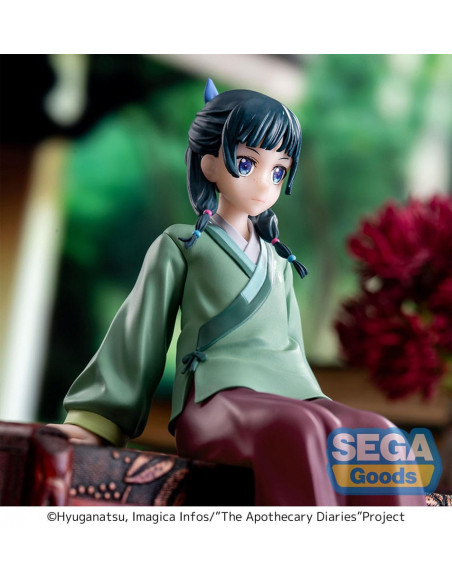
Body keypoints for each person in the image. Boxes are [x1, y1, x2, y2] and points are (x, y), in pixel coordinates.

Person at [50, 80, 425, 505]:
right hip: (215, 402)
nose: (265, 184)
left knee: (381, 436)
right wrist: (97, 422)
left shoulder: (279, 261)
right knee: (299, 431)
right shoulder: (182, 245)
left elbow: (291, 351)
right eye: (247, 163)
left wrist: (324, 411)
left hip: (290, 398)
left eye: (278, 171)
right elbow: (139, 334)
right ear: (210, 163)